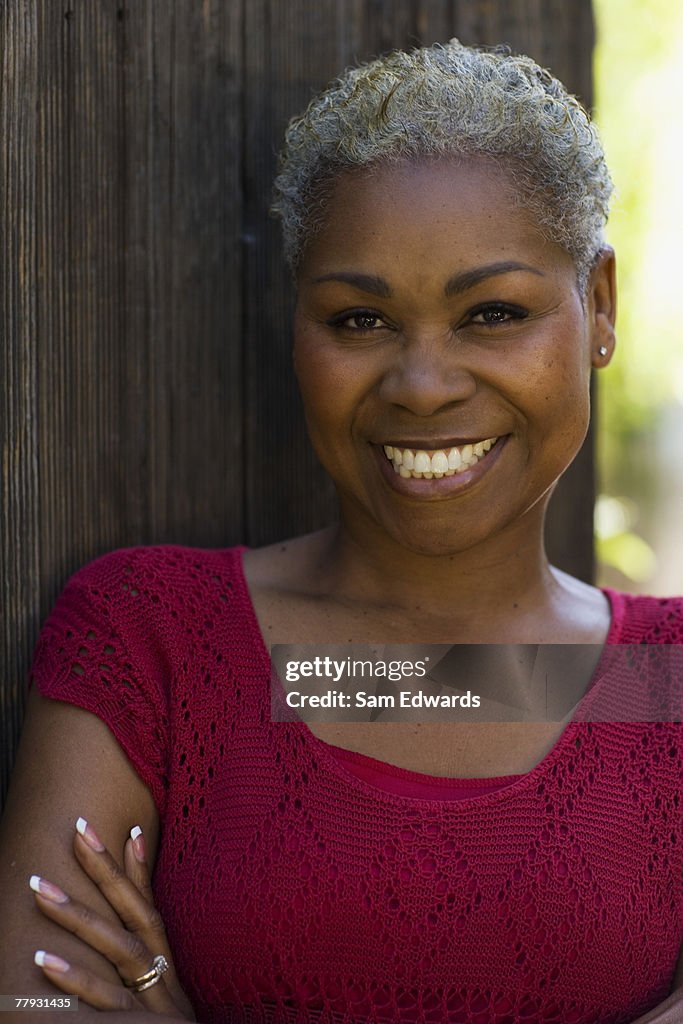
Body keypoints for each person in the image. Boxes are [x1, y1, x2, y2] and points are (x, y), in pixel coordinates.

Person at [1, 37, 682, 1024]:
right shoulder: (156, 640)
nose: (422, 384)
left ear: (600, 307)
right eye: (360, 321)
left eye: (492, 311)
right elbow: (40, 1001)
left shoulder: (660, 688)